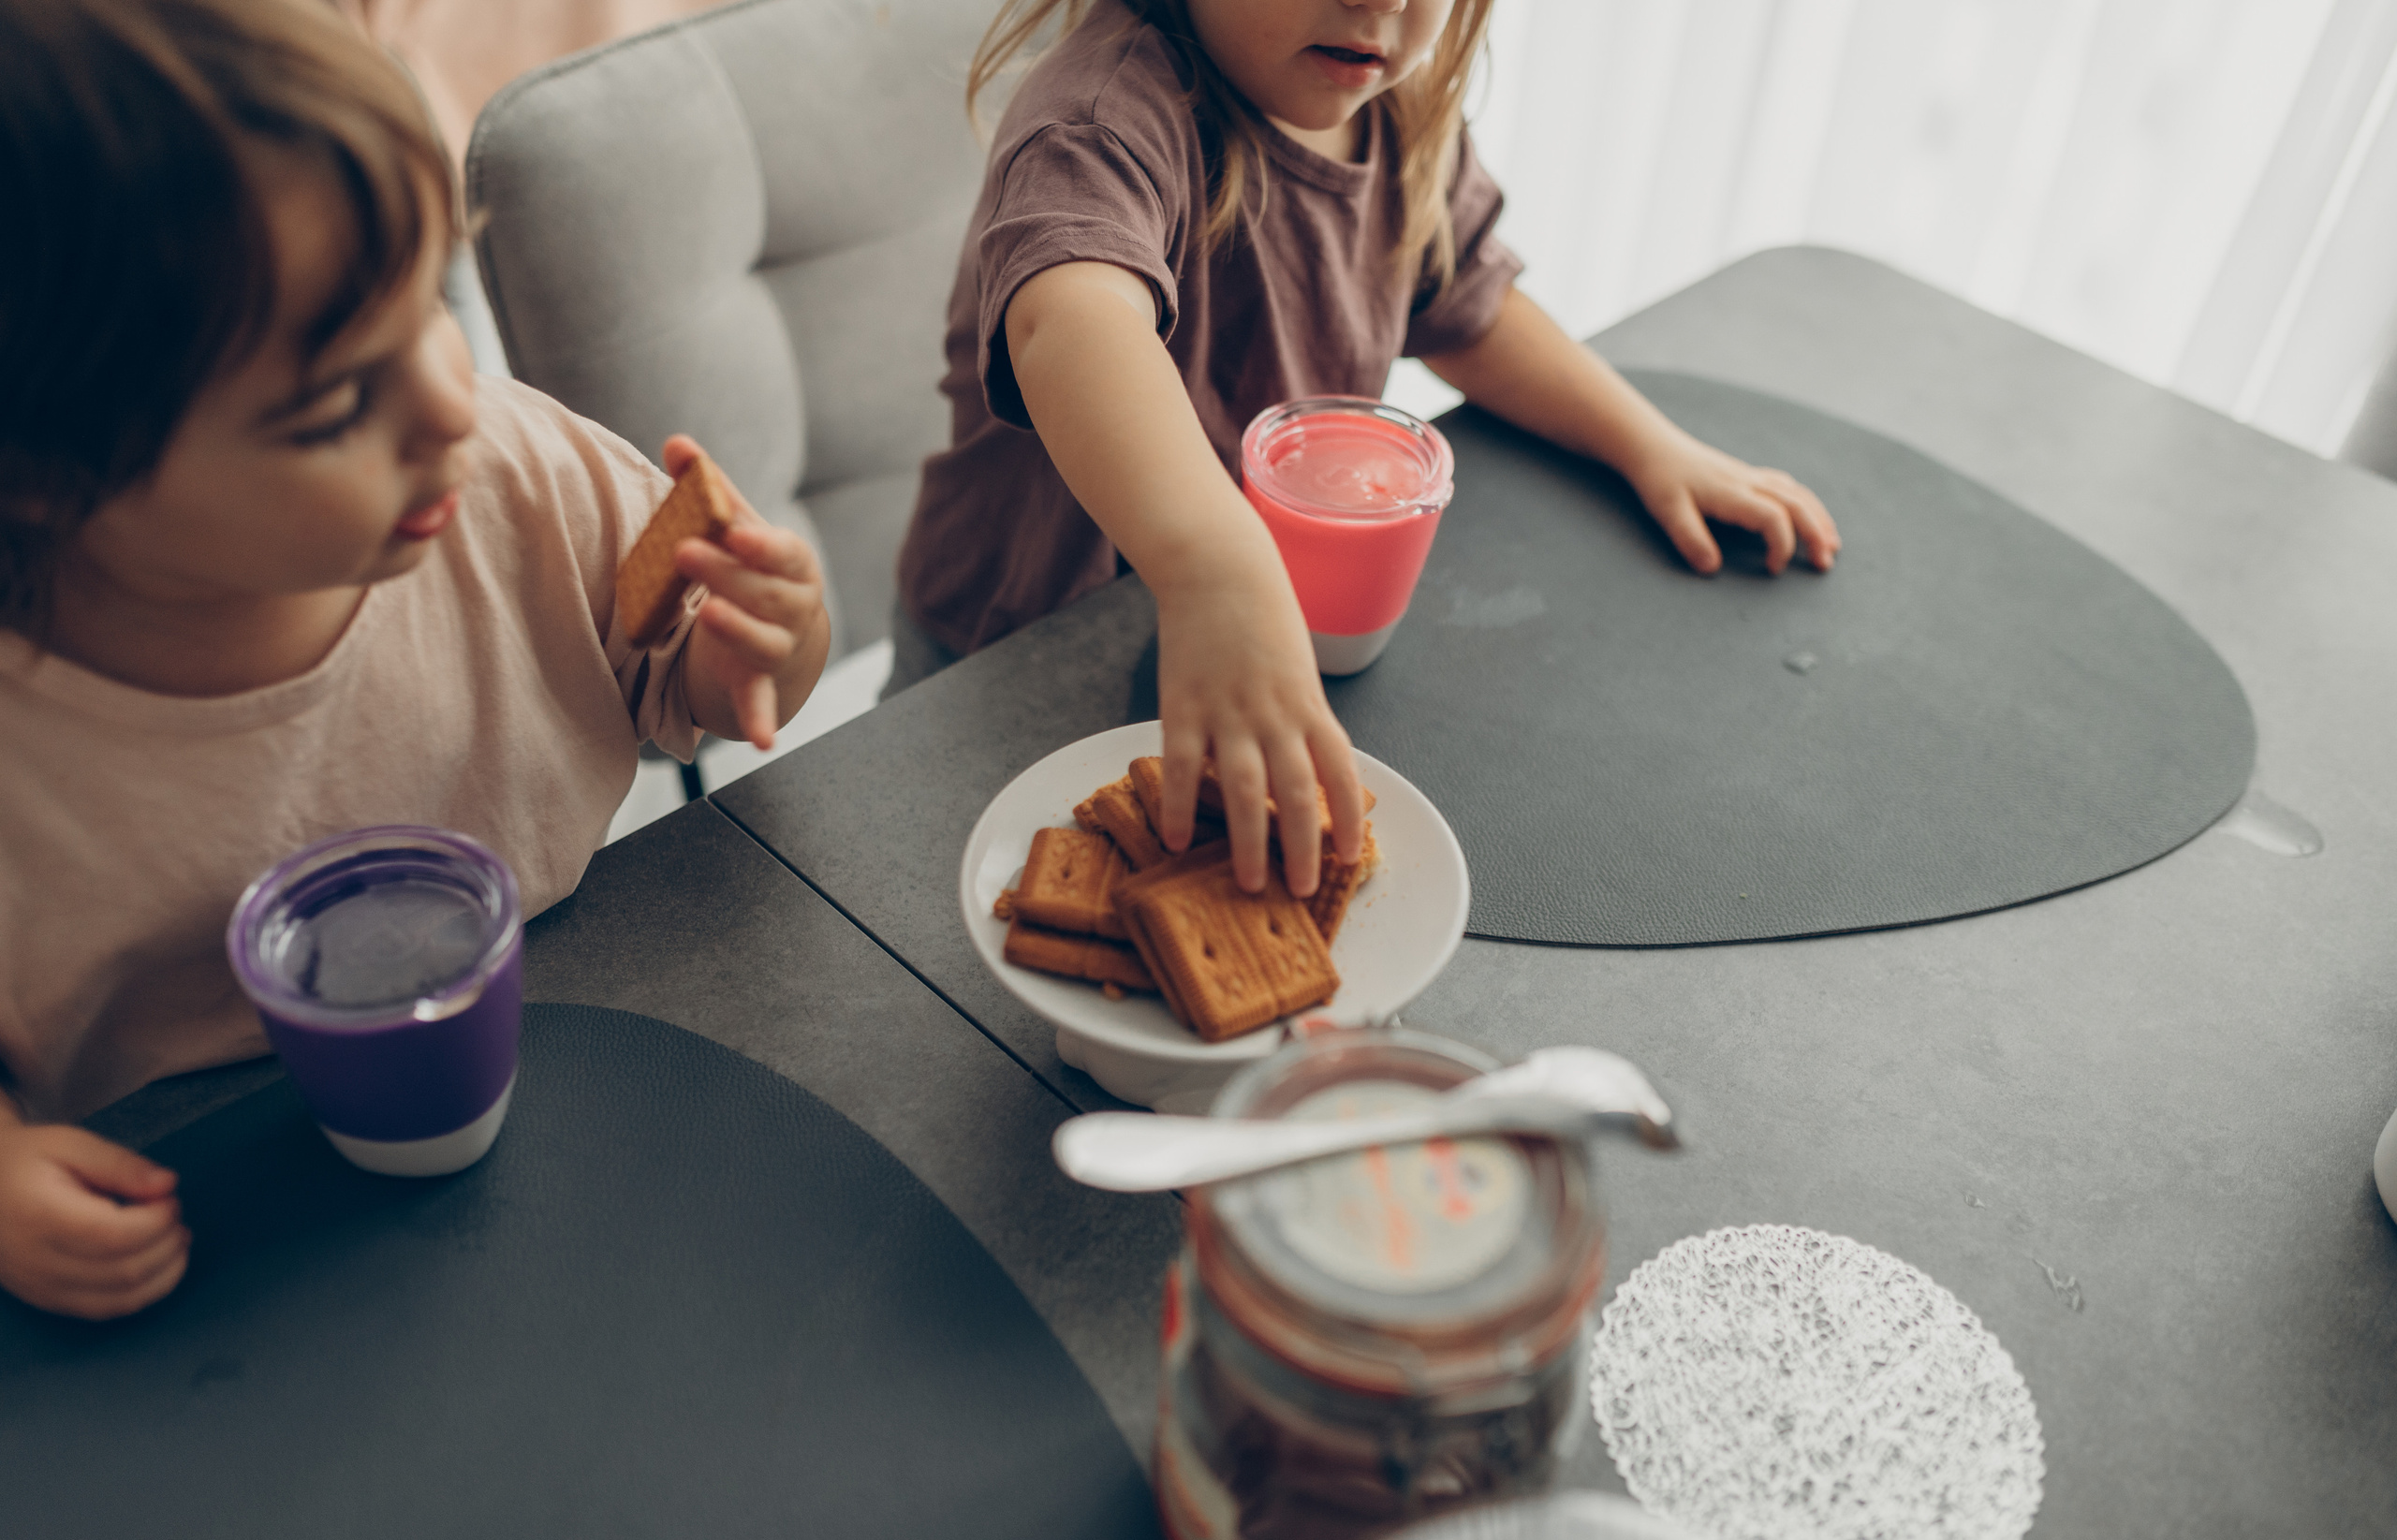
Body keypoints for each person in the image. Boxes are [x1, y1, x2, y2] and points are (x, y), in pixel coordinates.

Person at [0, 0, 831, 1318]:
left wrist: (761, 647)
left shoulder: (514, 472)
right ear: (48, 477)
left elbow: (673, 691)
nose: (453, 402)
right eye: (336, 400)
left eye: (435, 301)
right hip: (219, 1244)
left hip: (609, 1068)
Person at [897, 0, 1840, 900]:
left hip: (1237, 636)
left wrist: (1647, 444)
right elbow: (1072, 323)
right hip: (1013, 646)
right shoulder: (1100, 121)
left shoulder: (1395, 107)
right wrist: (1218, 573)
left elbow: (1463, 306)